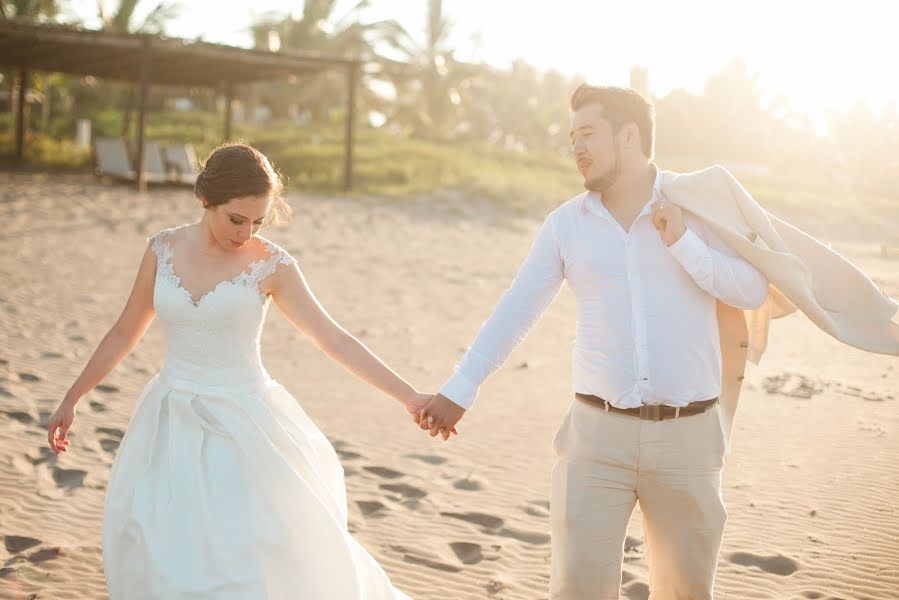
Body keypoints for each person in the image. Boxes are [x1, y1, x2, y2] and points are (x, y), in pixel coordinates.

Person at [416, 84, 769, 598]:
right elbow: (516, 308)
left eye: (587, 134)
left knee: (686, 592)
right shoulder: (565, 225)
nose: (575, 147)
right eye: (572, 137)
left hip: (688, 440)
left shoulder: (694, 208)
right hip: (595, 440)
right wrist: (459, 389)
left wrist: (683, 243)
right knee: (577, 590)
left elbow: (753, 288)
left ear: (629, 135)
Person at [46, 143, 436, 599]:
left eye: (259, 221)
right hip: (169, 420)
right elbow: (123, 332)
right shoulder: (162, 249)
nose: (246, 232)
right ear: (205, 198)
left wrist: (409, 397)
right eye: (237, 218)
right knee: (165, 549)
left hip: (245, 423)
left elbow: (335, 339)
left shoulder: (272, 265)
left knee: (246, 559)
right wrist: (72, 397)